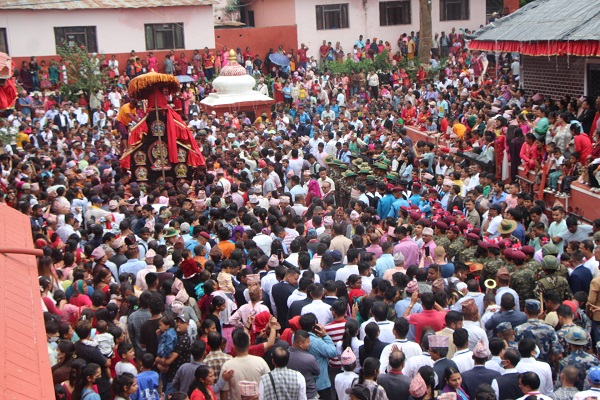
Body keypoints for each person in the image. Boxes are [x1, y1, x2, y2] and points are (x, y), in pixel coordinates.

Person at [218, 328, 270, 400]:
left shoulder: (227, 366)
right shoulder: (260, 362)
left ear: (234, 346)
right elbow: (269, 384)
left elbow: (224, 392)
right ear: (249, 344)